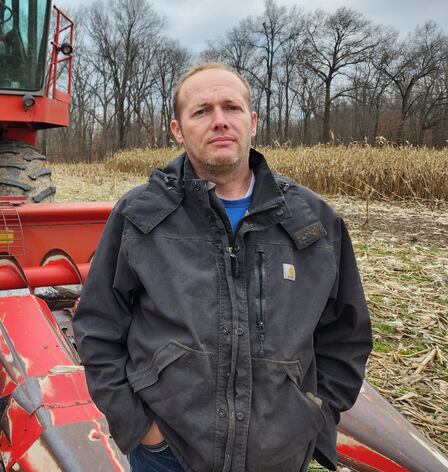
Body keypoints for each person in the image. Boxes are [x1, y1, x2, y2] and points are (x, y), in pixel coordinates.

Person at [73, 63, 372, 472]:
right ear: (177, 130)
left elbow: (347, 336)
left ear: (252, 122)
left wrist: (313, 417)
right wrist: (141, 428)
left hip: (277, 455)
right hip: (167, 452)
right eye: (201, 111)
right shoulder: (140, 216)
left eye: (231, 107)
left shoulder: (313, 221)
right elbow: (97, 327)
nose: (219, 121)